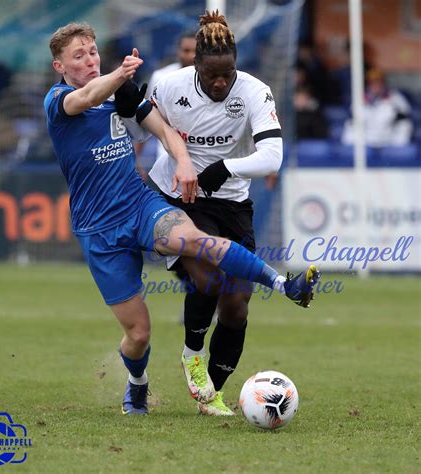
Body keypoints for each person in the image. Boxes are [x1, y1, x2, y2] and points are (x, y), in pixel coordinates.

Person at [44, 22, 319, 416]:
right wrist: (120, 75)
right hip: (99, 229)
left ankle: (283, 284)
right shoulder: (59, 101)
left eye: (92, 52)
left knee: (195, 243)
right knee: (138, 335)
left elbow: (164, 132)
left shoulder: (119, 92)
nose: (89, 60)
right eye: (78, 56)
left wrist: (186, 160)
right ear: (59, 66)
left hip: (140, 205)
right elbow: (86, 96)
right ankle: (137, 383)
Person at [142, 10, 308, 416]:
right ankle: (192, 353)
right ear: (195, 65)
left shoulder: (254, 91)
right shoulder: (168, 86)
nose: (221, 82)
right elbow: (146, 120)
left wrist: (226, 167)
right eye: (213, 74)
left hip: (232, 199)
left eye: (228, 74)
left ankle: (212, 393)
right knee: (208, 276)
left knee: (237, 304)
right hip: (182, 196)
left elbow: (272, 156)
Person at [135, 31, 197, 180]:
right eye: (186, 50)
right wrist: (135, 158)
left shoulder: (211, 82)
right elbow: (147, 116)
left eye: (196, 51)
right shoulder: (161, 77)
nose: (191, 56)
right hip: (166, 161)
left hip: (202, 161)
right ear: (178, 51)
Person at [341, 68, 413, 147]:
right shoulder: (360, 99)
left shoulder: (396, 98)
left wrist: (397, 144)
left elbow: (405, 122)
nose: (376, 85)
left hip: (389, 140)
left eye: (378, 82)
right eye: (372, 82)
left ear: (383, 83)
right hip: (367, 141)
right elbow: (351, 122)